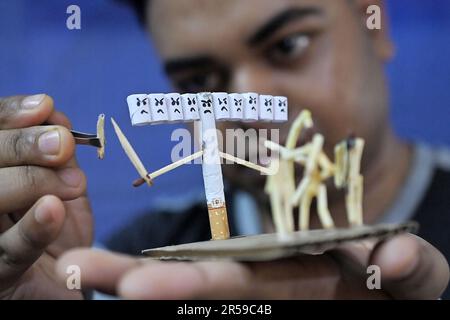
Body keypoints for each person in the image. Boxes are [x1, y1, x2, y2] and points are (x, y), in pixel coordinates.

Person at [0, 0, 449, 299]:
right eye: (198, 84)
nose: (250, 108)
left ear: (375, 24)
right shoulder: (130, 261)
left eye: (288, 46)